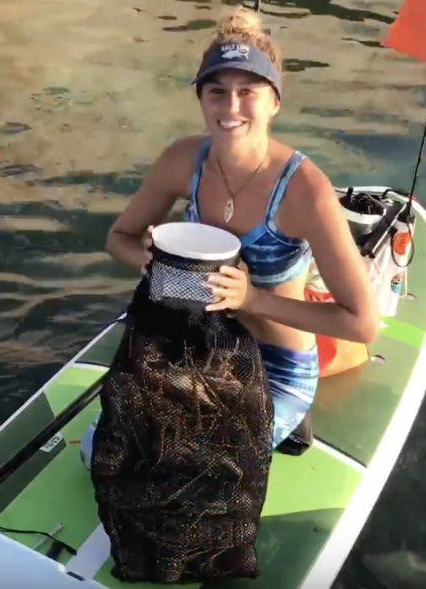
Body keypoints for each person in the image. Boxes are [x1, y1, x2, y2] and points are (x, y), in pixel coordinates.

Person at [82, 7, 380, 466]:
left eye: (248, 92)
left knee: (183, 469)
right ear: (200, 98)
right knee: (102, 454)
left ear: (275, 101)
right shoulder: (183, 160)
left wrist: (251, 299)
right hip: (189, 349)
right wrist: (149, 261)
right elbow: (119, 237)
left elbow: (363, 323)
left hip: (274, 367)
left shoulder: (305, 191)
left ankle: (287, 421)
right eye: (216, 92)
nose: (231, 107)